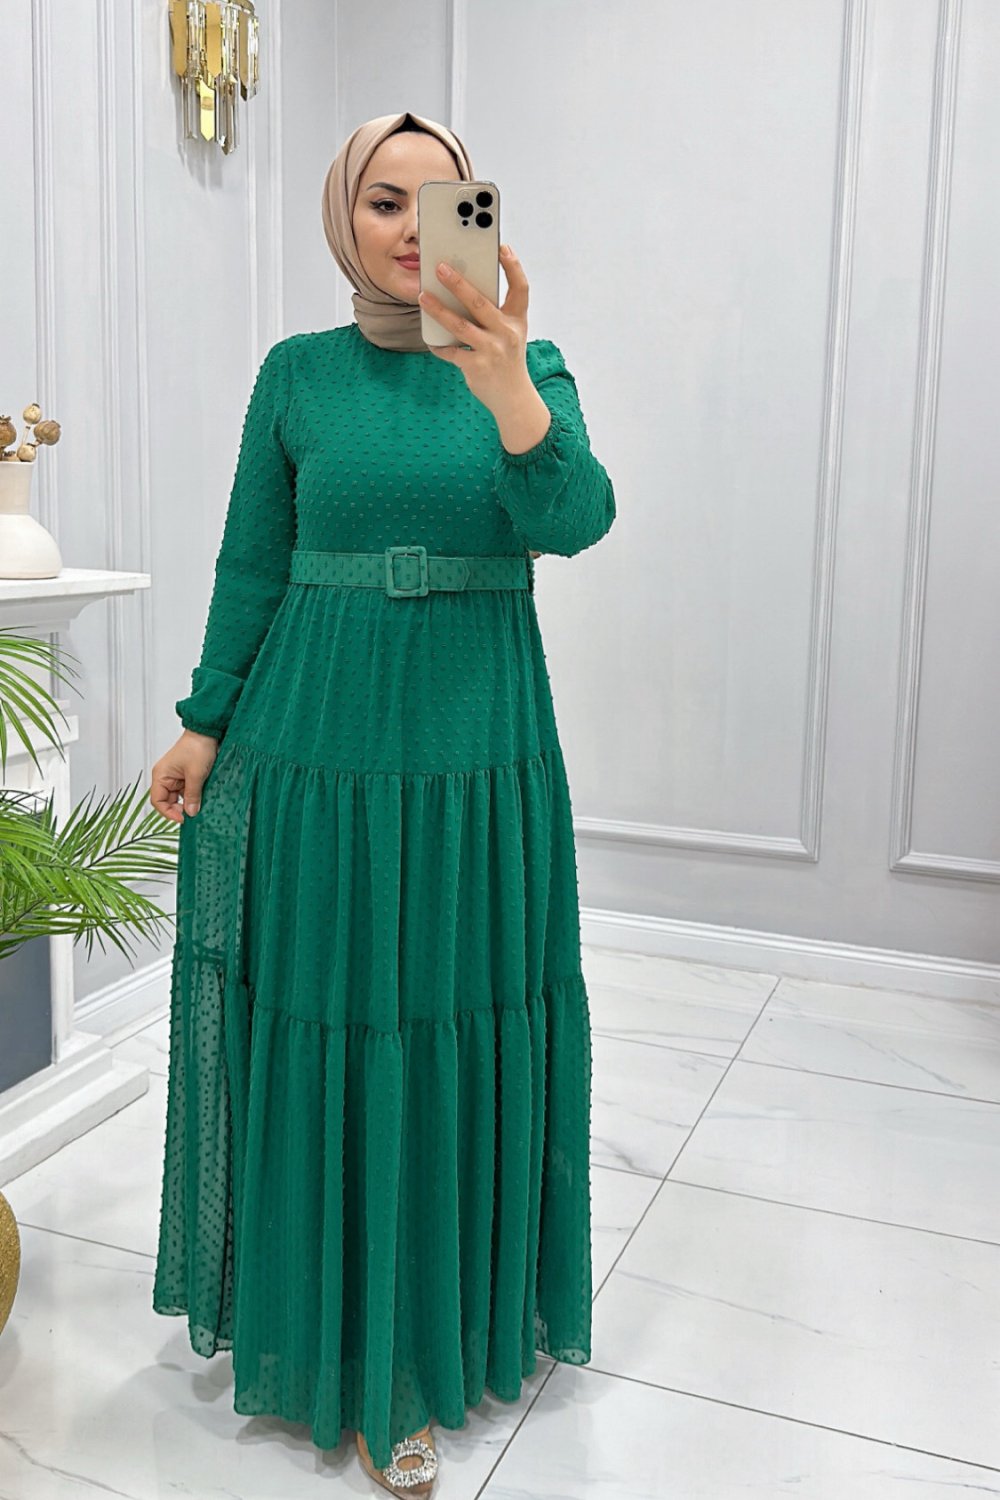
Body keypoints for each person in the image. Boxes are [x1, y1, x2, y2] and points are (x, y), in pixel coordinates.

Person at [148, 110, 616, 1497]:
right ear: (342, 222)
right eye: (383, 203)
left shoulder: (530, 365)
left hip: (477, 757)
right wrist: (204, 716)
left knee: (451, 1020)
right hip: (316, 747)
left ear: (481, 213)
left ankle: (427, 1336)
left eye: (443, 199)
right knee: (337, 1023)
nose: (414, 229)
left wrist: (510, 387)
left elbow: (576, 518)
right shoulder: (296, 374)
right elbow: (252, 559)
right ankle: (343, 1346)